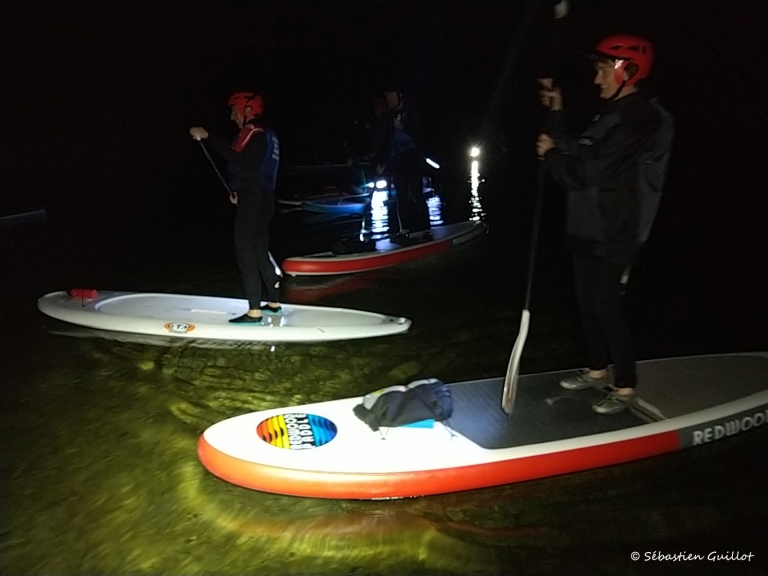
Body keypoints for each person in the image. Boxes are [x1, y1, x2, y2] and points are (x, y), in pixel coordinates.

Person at [535, 35, 673, 414]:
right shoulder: (611, 115)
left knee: (607, 307)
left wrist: (551, 158)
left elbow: (588, 171)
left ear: (627, 69)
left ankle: (625, 385)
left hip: (616, 231)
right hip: (586, 225)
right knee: (586, 305)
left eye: (601, 70)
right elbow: (580, 147)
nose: (597, 79)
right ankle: (597, 370)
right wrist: (558, 110)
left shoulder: (641, 117)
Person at [189, 91, 282, 324]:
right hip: (266, 197)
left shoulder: (252, 131)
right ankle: (273, 302)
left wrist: (209, 137)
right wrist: (238, 191)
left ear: (248, 110)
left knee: (245, 252)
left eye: (234, 110)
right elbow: (254, 166)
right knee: (260, 248)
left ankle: (254, 312)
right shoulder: (269, 134)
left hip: (254, 198)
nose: (233, 117)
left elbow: (236, 158)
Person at [375, 86, 431, 239]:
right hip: (397, 159)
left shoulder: (411, 112)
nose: (388, 99)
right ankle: (404, 229)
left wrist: (404, 127)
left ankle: (426, 228)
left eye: (391, 95)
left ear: (400, 96)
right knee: (401, 195)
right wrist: (382, 162)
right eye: (387, 96)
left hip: (412, 157)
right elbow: (386, 142)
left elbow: (421, 134)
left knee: (416, 193)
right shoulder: (389, 117)